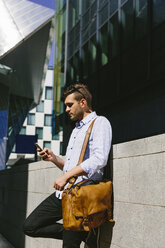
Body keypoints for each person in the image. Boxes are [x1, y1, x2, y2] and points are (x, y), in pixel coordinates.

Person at [23, 83, 112, 248]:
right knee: (30, 226)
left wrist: (65, 176)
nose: (67, 109)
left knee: (69, 246)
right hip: (65, 194)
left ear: (83, 103)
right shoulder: (76, 130)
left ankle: (78, 233)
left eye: (70, 105)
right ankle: (85, 233)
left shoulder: (100, 123)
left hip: (81, 195)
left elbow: (99, 159)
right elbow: (72, 167)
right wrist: (54, 159)